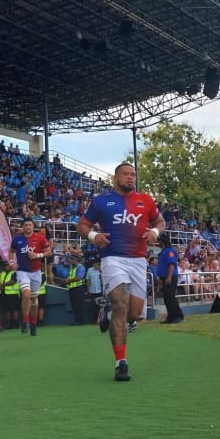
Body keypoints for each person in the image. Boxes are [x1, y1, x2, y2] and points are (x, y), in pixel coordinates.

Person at [78, 162, 165, 382]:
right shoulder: (101, 201)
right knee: (121, 303)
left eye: (133, 174)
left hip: (138, 260)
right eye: (126, 174)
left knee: (134, 315)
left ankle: (107, 314)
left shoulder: (145, 200)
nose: (130, 177)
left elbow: (160, 222)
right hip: (113, 258)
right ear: (116, 178)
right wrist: (93, 237)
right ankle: (121, 364)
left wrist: (154, 231)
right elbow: (82, 225)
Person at [10, 218, 52, 335]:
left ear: (33, 226)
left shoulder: (40, 238)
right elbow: (11, 251)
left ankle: (33, 325)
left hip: (36, 272)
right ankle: (25, 321)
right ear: (22, 227)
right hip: (22, 271)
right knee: (26, 294)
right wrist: (12, 262)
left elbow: (49, 252)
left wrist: (37, 254)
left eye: (29, 225)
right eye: (26, 225)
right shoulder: (17, 239)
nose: (28, 227)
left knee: (34, 300)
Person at [156, 232, 184, 324]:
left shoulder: (170, 251)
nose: (158, 243)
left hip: (170, 277)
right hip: (164, 277)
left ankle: (177, 316)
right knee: (166, 298)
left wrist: (169, 277)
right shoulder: (163, 252)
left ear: (162, 241)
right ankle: (170, 317)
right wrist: (161, 279)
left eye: (159, 241)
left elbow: (171, 265)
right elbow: (162, 266)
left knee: (171, 297)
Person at [57, 253, 87, 325]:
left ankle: (80, 321)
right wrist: (64, 281)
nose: (70, 261)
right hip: (72, 289)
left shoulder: (80, 267)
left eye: (71, 259)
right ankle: (77, 320)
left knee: (78, 305)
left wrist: (67, 281)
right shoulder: (72, 268)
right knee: (74, 305)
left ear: (76, 260)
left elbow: (79, 277)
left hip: (78, 288)